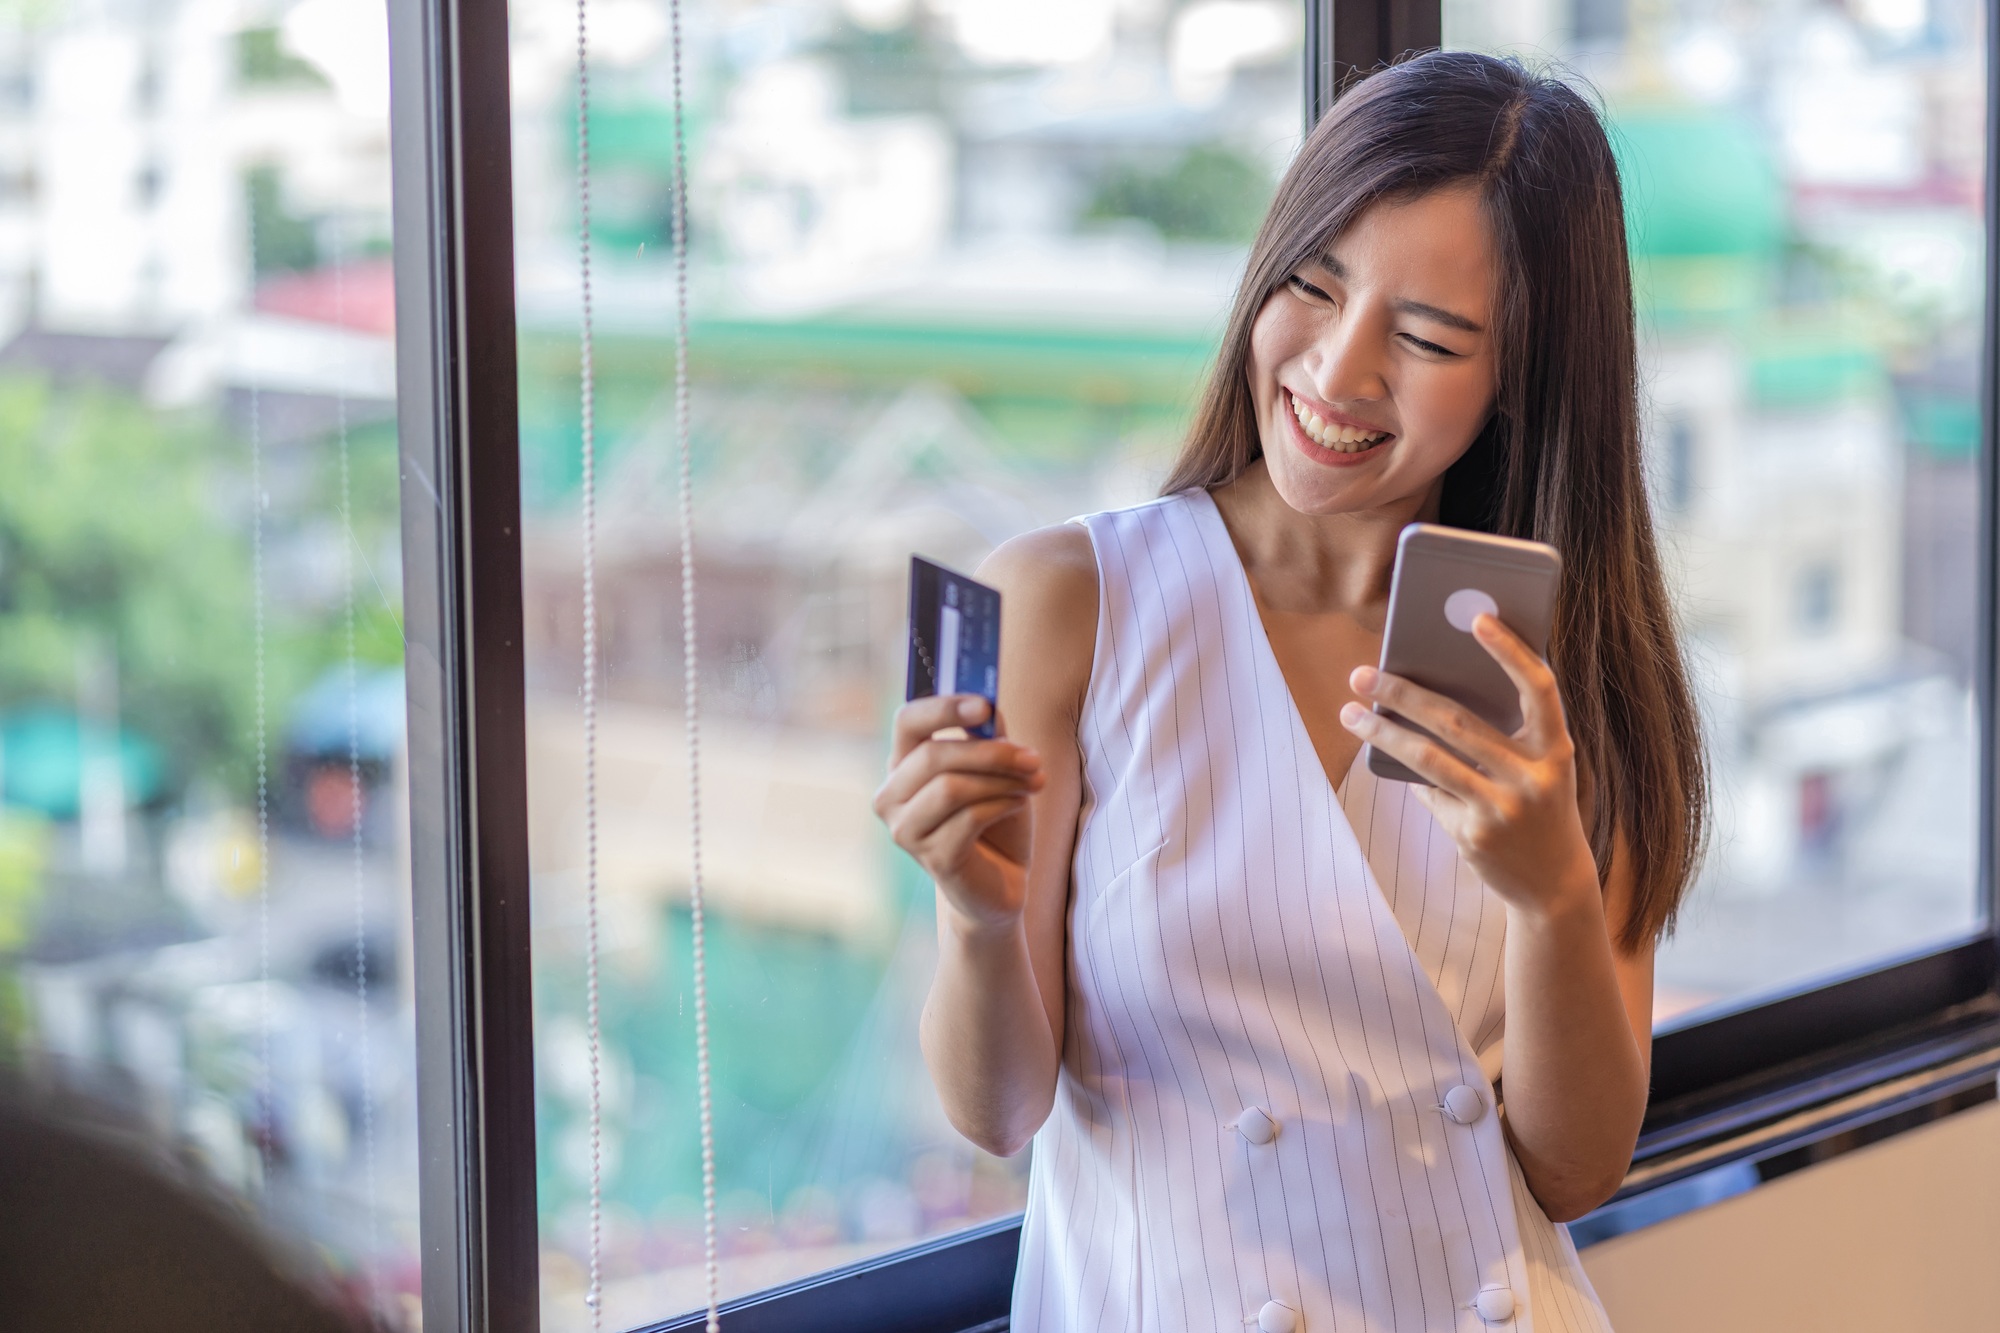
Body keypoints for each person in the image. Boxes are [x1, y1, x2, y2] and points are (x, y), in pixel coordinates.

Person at [872, 50, 1707, 1333]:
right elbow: (994, 1113)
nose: (1337, 368)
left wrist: (1548, 897)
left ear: (1521, 380)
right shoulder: (1073, 602)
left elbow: (1574, 1170)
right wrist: (978, 922)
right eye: (1311, 287)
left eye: (1426, 336)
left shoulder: (1562, 667)